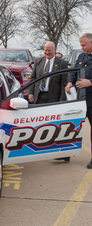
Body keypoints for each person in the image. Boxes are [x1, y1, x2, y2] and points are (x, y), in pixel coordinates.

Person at [65, 33, 92, 169]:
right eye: (81, 45)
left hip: (91, 100)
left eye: (83, 45)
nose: (82, 48)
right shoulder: (81, 56)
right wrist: (70, 83)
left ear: (91, 42)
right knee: (72, 127)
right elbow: (74, 72)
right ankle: (66, 153)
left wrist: (90, 82)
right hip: (80, 99)